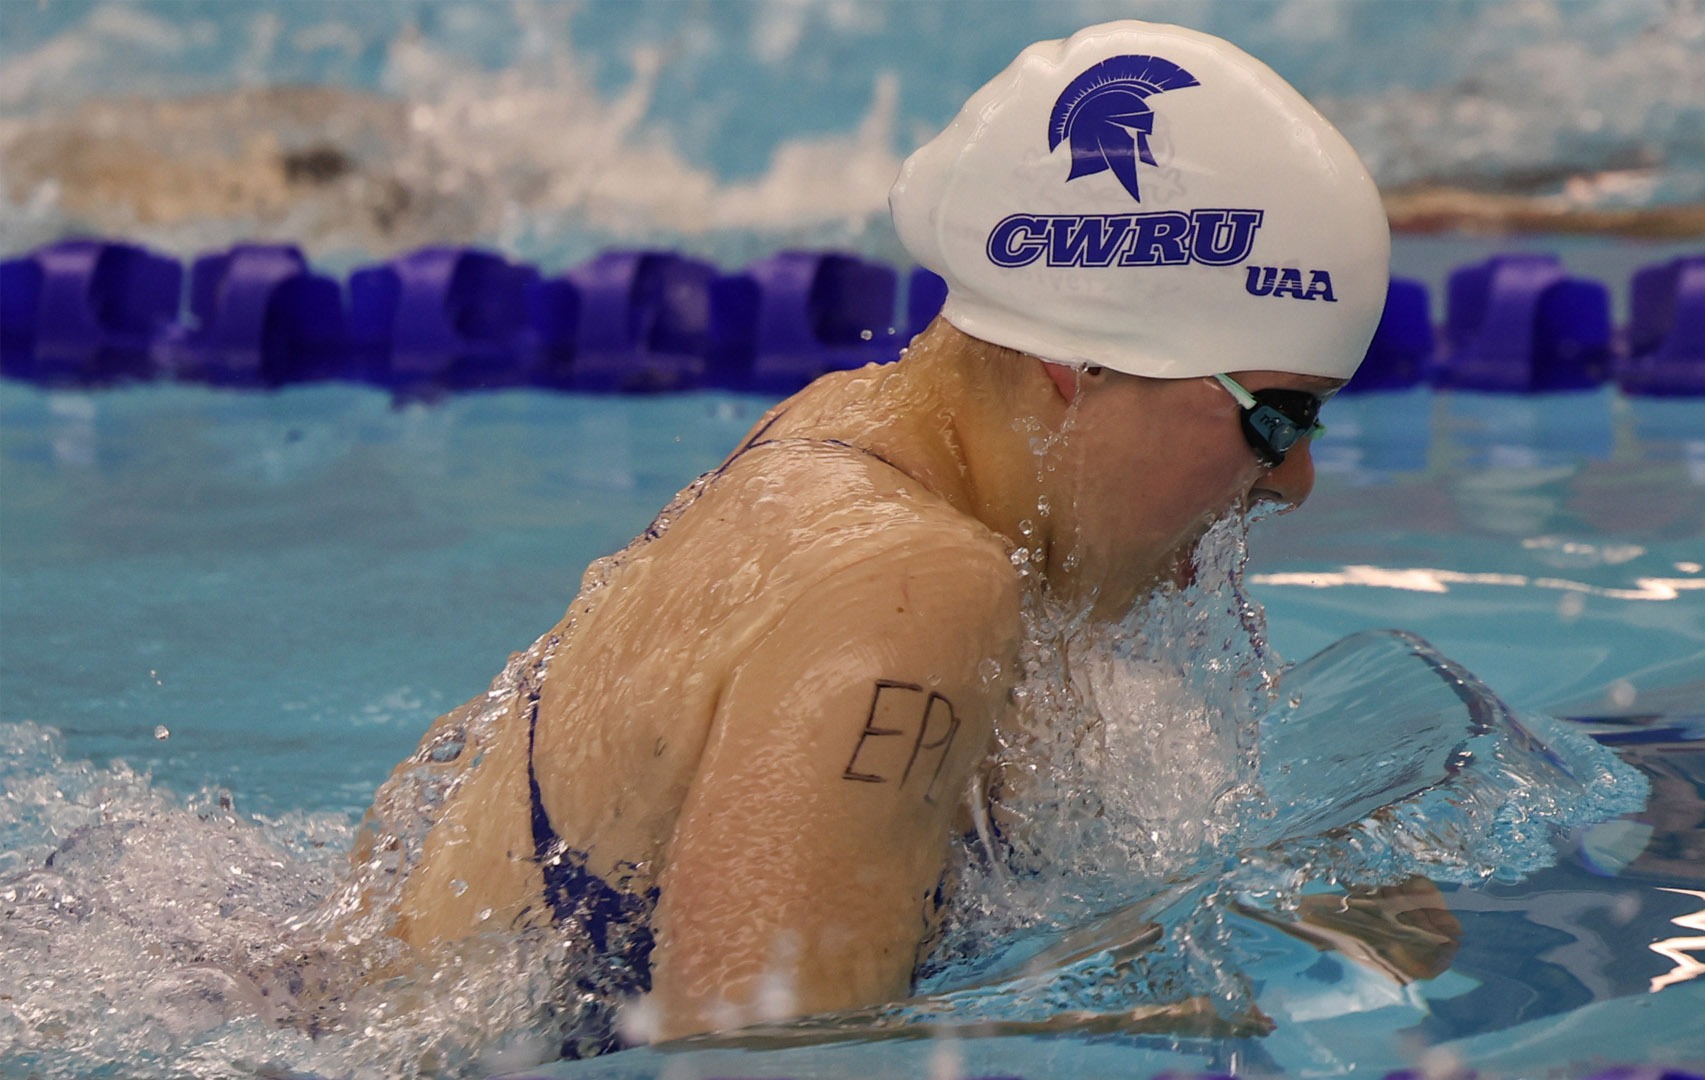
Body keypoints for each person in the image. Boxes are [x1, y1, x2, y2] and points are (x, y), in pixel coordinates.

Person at [351, 19, 1390, 1046]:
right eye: (1276, 416)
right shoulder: (917, 585)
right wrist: (1233, 1007)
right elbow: (761, 1067)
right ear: (1081, 362)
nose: (1292, 480)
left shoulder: (846, 438)